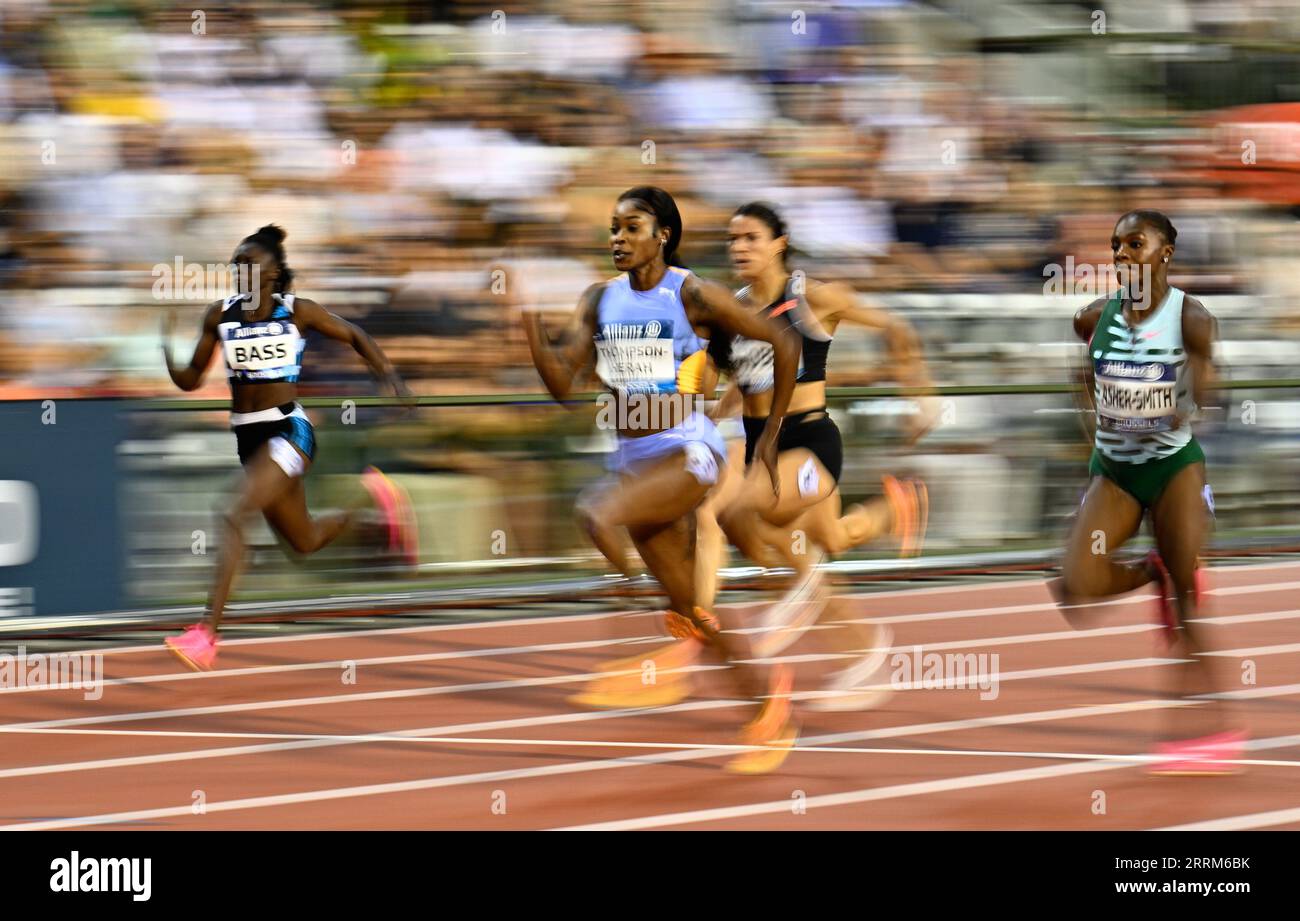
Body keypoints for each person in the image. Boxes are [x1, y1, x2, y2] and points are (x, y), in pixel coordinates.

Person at [521, 187, 801, 773]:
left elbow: (782, 341)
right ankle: (766, 705)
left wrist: (769, 435)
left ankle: (628, 610)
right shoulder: (599, 298)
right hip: (633, 460)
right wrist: (526, 326)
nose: (618, 238)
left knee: (595, 515)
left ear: (663, 235)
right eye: (613, 228)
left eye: (632, 227)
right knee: (693, 609)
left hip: (688, 450)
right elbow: (560, 387)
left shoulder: (692, 293)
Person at [162, 224, 414, 670]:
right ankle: (377, 513)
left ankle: (206, 634)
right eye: (236, 265)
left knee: (229, 511)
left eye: (250, 264)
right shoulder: (219, 315)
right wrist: (168, 350)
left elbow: (355, 334)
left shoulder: (299, 312)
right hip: (248, 437)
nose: (241, 271)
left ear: (274, 273)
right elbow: (191, 379)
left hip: (288, 432)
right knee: (304, 541)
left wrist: (387, 375)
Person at [1048, 208, 1244, 774]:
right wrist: (1100, 429)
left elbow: (1212, 396)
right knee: (1077, 589)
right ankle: (1151, 570)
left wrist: (1181, 404)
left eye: (1135, 244)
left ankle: (1214, 721)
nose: (1122, 255)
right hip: (1115, 470)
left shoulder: (1193, 319)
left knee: (1188, 602)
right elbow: (1080, 376)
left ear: (1165, 254)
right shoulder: (1091, 317)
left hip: (1173, 469)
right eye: (1115, 246)